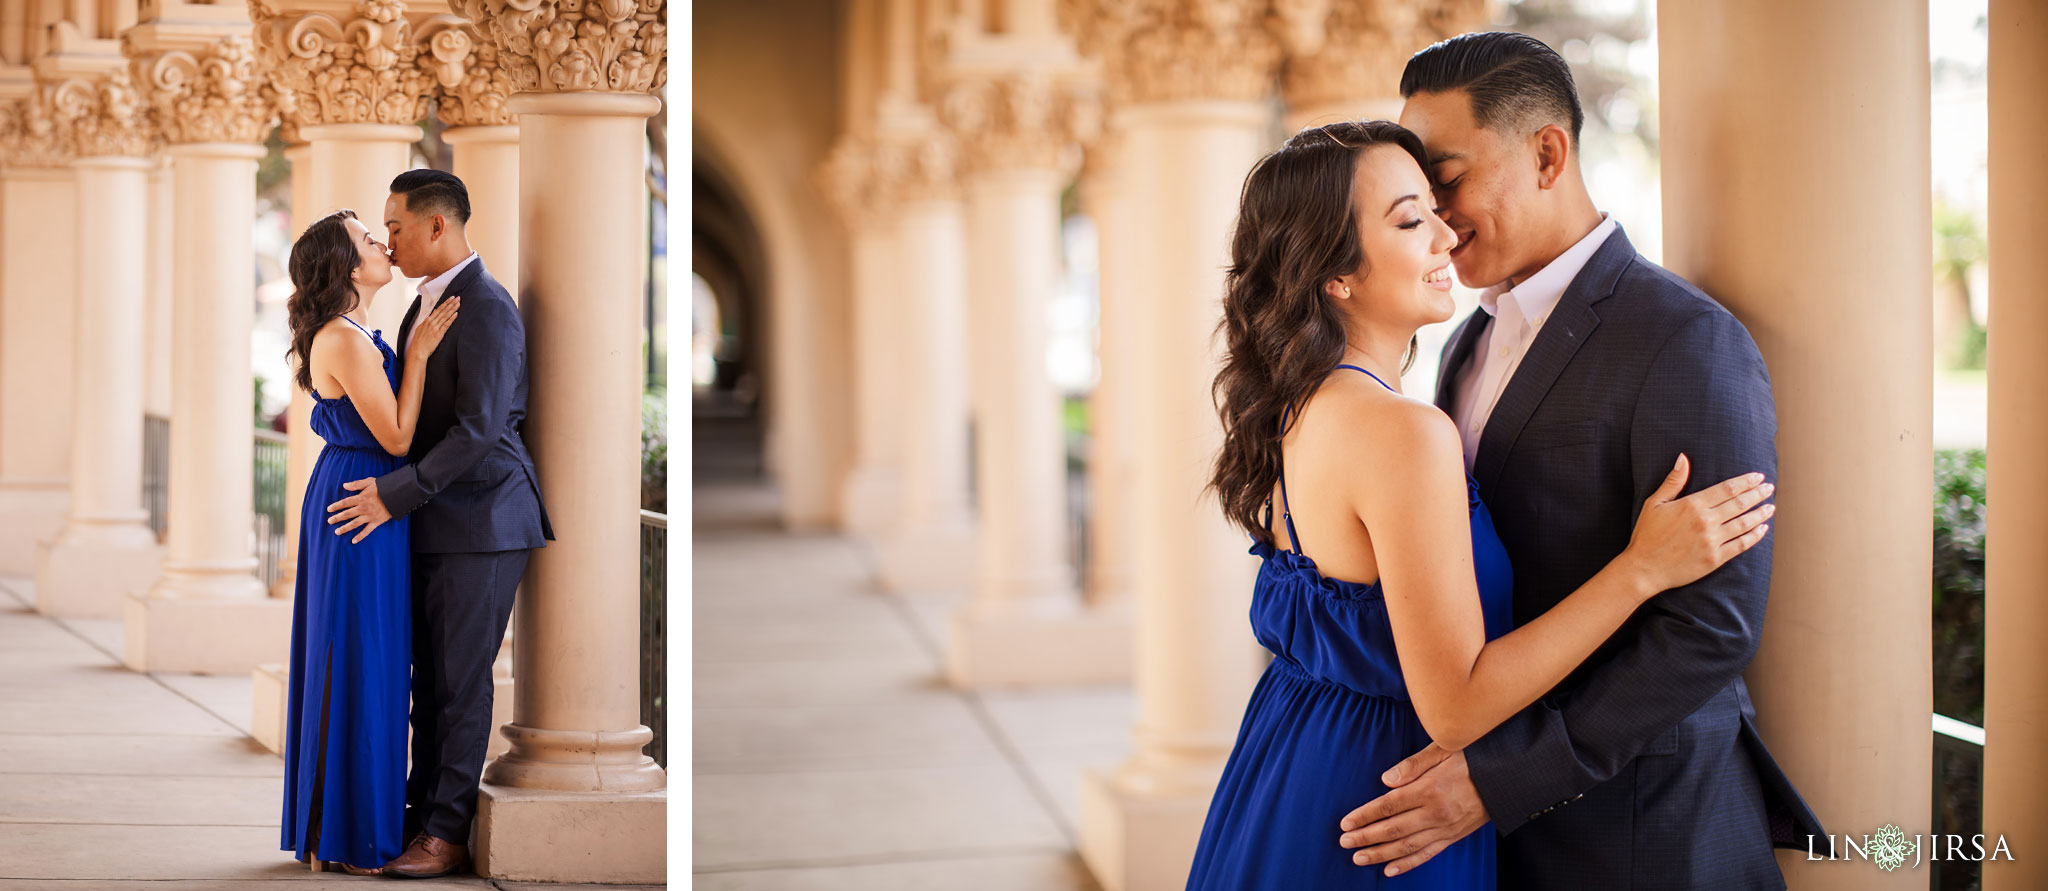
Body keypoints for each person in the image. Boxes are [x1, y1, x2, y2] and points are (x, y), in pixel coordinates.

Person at [1184, 119, 1776, 889]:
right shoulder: (1402, 431)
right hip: (1389, 804)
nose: (1445, 235)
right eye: (1409, 219)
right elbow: (1457, 707)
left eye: (1437, 204)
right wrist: (1639, 569)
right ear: (1335, 274)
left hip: (1286, 766)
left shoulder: (1294, 408)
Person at [1337, 32, 1824, 889]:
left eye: (1445, 179)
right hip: (1494, 837)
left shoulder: (1686, 340)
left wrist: (1497, 782)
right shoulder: (1467, 342)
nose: (1435, 216)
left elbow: (1710, 627)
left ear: (1548, 154)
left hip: (1639, 835)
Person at [323, 169, 555, 878]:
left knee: (459, 681)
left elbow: (482, 427)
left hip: (484, 519)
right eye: (381, 230)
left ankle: (446, 832)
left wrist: (399, 493)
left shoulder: (484, 305)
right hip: (433, 520)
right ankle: (420, 817)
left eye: (394, 226)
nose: (388, 241)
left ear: (436, 225)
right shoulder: (421, 305)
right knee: (429, 680)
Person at [279, 209, 459, 875]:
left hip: (362, 495)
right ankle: (353, 835)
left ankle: (338, 828)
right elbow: (396, 439)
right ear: (349, 265)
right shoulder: (347, 340)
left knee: (364, 654)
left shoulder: (350, 331)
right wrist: (416, 355)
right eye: (368, 237)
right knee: (360, 656)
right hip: (364, 502)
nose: (383, 242)